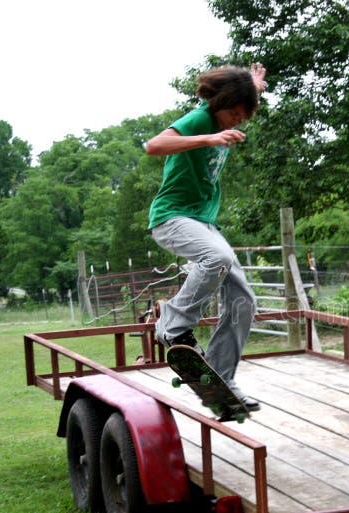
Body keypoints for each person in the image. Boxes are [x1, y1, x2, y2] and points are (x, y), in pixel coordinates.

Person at [145, 63, 267, 411]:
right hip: (172, 217)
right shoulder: (200, 120)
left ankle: (221, 383)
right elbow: (154, 145)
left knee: (244, 301)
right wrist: (209, 138)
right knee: (218, 258)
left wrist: (254, 85)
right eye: (234, 114)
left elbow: (242, 97)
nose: (237, 122)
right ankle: (172, 323)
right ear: (220, 104)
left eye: (245, 116)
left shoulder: (232, 107)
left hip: (203, 222)